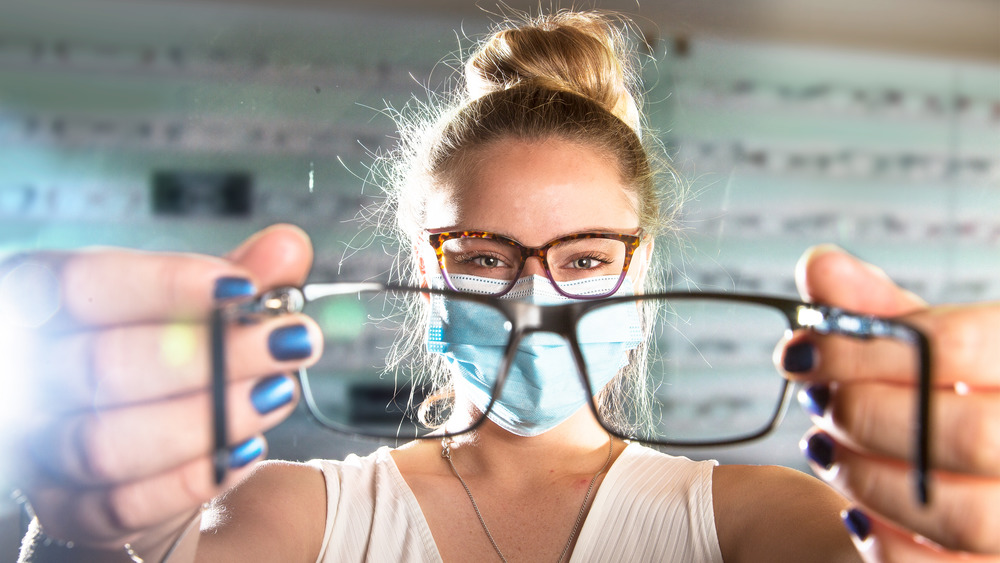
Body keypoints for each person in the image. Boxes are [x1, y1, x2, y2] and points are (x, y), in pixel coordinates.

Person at [5, 9, 998, 563]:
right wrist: (82, 535)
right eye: (482, 257)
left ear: (638, 267)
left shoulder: (757, 518)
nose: (531, 303)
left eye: (582, 257)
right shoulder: (292, 515)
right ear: (425, 275)